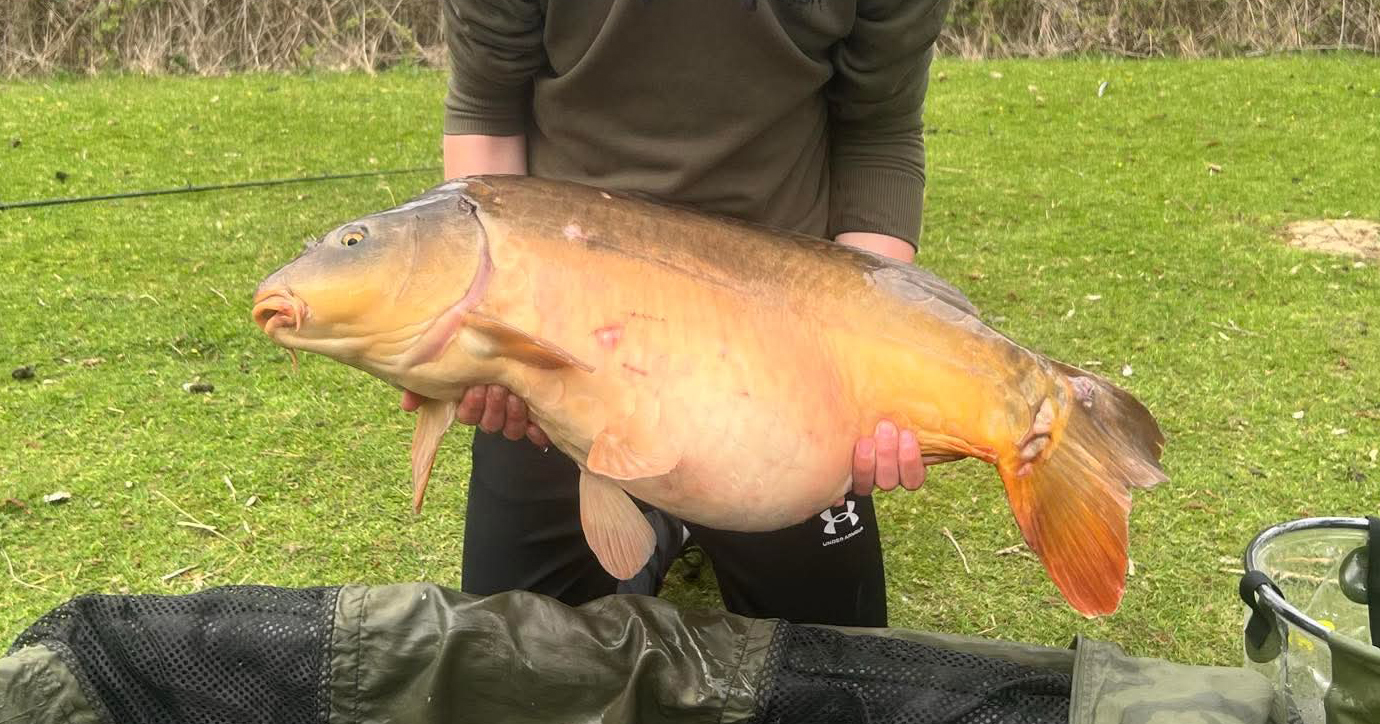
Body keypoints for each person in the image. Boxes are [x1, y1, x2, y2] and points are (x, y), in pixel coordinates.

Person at [403, 0, 950, 628]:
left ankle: (678, 513)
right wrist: (497, 326)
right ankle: (660, 521)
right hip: (566, 323)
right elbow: (489, 103)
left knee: (834, 681)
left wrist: (858, 367)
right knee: (513, 668)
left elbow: (878, 129)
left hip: (776, 335)